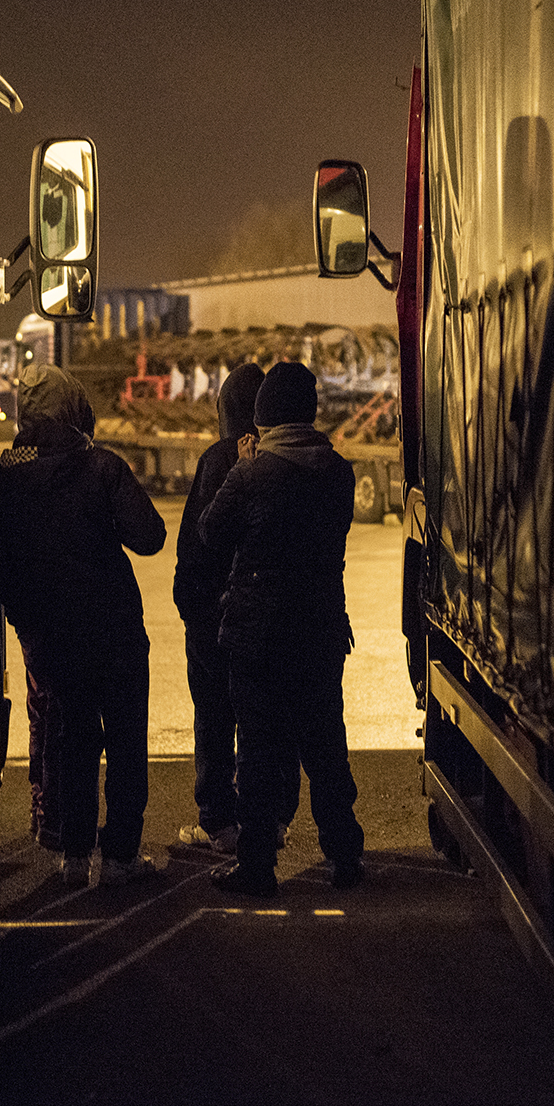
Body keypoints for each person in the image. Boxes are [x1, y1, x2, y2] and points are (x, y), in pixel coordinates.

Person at [0, 365, 166, 887]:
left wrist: (27, 619)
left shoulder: (3, 478)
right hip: (116, 631)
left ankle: (74, 855)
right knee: (126, 742)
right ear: (75, 412)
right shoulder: (101, 466)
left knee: (74, 739)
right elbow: (150, 536)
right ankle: (121, 858)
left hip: (54, 638)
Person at [199, 361, 365, 897]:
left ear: (265, 414)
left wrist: (240, 466)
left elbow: (210, 532)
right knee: (325, 746)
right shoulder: (339, 472)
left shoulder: (252, 472)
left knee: (259, 754)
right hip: (319, 630)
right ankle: (344, 854)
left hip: (258, 636)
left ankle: (257, 867)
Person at [173, 362, 293, 856]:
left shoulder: (220, 459)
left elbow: (198, 541)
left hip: (215, 615)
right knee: (267, 718)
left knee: (215, 717)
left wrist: (190, 604)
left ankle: (219, 820)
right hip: (268, 613)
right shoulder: (286, 459)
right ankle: (274, 819)